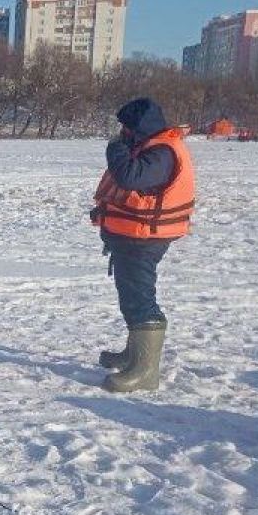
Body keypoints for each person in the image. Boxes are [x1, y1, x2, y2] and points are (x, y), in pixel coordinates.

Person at [91, 97, 195, 393]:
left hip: (144, 238)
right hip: (133, 236)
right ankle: (134, 354)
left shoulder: (162, 152)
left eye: (126, 128)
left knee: (139, 298)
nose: (122, 132)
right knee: (132, 295)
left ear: (139, 128)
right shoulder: (153, 146)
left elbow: (129, 176)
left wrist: (115, 148)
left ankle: (145, 371)